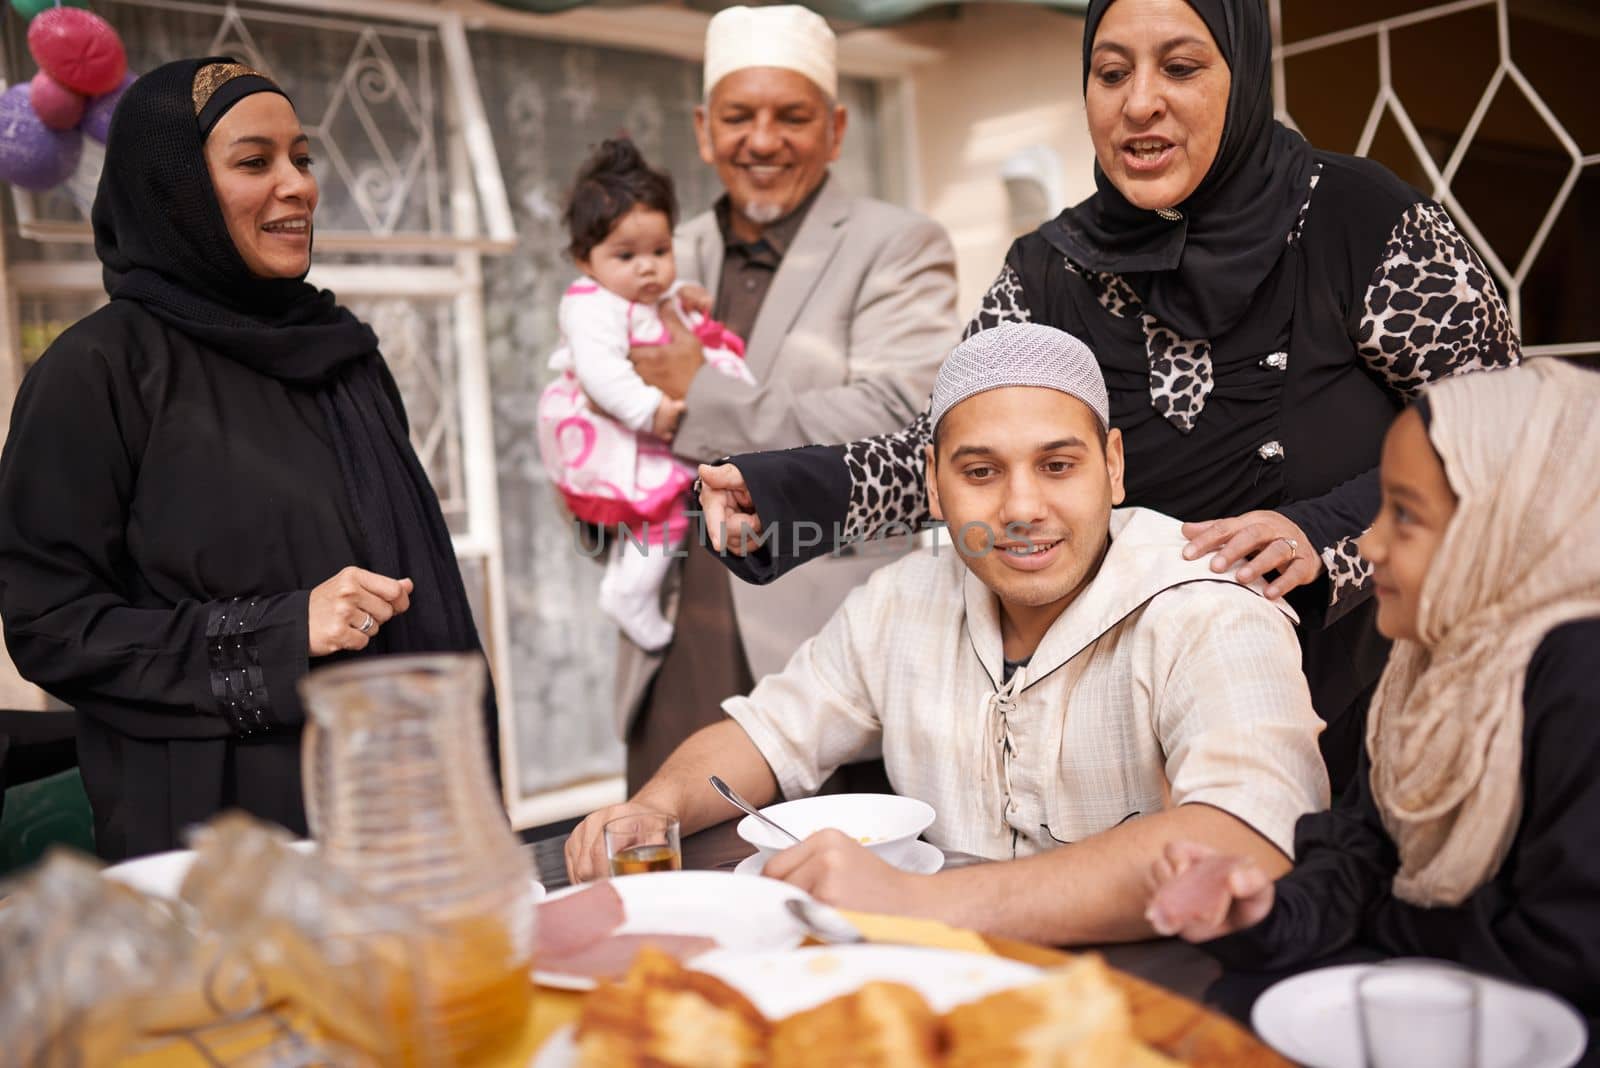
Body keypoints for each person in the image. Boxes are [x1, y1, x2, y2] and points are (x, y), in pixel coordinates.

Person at [695, 0, 1519, 795]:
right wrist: (786, 490)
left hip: (1383, 695)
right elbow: (951, 454)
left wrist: (1325, 530)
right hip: (1150, 727)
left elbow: (1499, 433)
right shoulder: (1054, 268)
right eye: (1110, 72)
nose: (1140, 104)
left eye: (1183, 67)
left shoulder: (1359, 219)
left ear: (1243, 75)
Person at [569, 324, 1329, 946]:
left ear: (1114, 466)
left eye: (1058, 465)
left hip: (1146, 1016)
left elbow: (1249, 834)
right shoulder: (902, 601)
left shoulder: (1208, 603)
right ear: (933, 484)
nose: (1023, 506)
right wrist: (658, 805)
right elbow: (768, 735)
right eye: (982, 472)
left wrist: (918, 903)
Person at [0, 58, 489, 862]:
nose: (297, 185)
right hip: (217, 837)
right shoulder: (99, 372)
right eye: (256, 162)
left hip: (391, 814)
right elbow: (51, 626)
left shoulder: (343, 357)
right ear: (174, 189)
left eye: (302, 157)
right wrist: (278, 631)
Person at [1146, 359, 1600, 1053]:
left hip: (1551, 1021)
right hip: (1446, 988)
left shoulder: (1579, 673)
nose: (1369, 542)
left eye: (1407, 515)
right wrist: (1265, 909)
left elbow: (1567, 954)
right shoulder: (1426, 665)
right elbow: (1360, 853)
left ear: (1515, 525)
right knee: (1226, 1007)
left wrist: (1375, 921)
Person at [614, 4, 958, 790]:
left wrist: (694, 398)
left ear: (835, 130)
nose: (763, 140)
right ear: (704, 129)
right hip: (672, 651)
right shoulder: (661, 251)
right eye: (739, 116)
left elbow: (899, 417)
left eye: (791, 117)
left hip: (822, 659)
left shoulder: (896, 245)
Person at [537, 138, 752, 654]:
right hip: (614, 429)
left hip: (634, 431)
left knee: (653, 512)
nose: (649, 269)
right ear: (584, 260)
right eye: (626, 255)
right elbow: (601, 373)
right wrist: (649, 409)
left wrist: (685, 296)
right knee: (664, 513)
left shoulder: (634, 295)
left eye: (660, 252)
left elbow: (659, 314)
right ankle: (630, 593)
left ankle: (627, 582)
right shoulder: (591, 307)